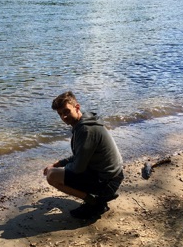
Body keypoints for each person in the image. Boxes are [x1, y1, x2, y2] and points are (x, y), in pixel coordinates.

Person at [43, 91, 124, 219]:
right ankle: (97, 199)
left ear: (77, 107)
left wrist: (56, 170)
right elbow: (81, 155)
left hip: (108, 180)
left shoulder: (86, 130)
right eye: (60, 114)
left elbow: (78, 168)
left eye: (66, 111)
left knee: (52, 176)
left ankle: (96, 202)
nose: (63, 117)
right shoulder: (85, 122)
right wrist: (58, 163)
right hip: (112, 175)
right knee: (55, 171)